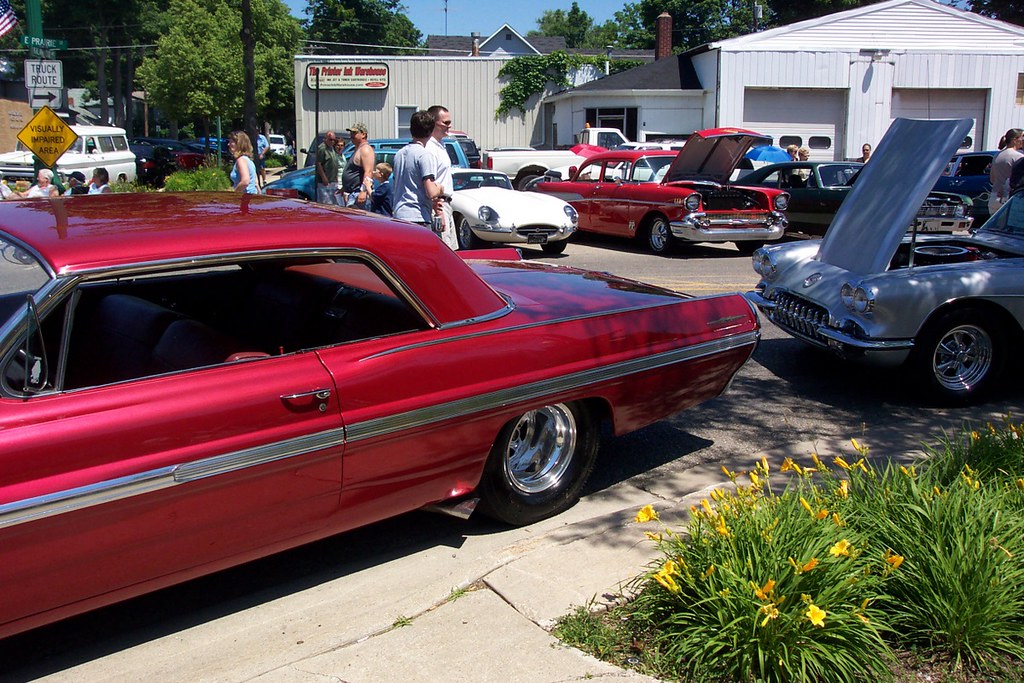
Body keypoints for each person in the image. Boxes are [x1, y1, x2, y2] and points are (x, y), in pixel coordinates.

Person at [391, 110, 443, 229]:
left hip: (399, 215)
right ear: (431, 132)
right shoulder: (424, 155)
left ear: (411, 130)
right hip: (418, 217)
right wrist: (439, 189)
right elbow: (430, 192)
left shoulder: (399, 154)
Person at [426, 104, 457, 250]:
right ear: (433, 123)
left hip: (446, 204)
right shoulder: (430, 149)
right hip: (438, 205)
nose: (449, 126)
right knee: (443, 250)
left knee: (451, 251)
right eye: (446, 123)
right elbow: (430, 182)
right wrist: (438, 212)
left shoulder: (441, 145)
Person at [341, 123, 376, 208]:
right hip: (352, 194)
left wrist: (363, 191)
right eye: (351, 133)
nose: (351, 136)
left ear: (363, 134)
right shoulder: (358, 149)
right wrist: (344, 188)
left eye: (354, 133)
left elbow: (369, 172)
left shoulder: (365, 149)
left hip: (358, 194)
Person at [989, 128, 1023, 215]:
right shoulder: (1018, 157)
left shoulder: (997, 155)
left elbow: (992, 179)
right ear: (1015, 140)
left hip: (994, 198)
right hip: (1008, 199)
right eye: (1022, 137)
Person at [315, 130, 340, 205]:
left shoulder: (332, 148)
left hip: (333, 180)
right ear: (325, 139)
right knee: (326, 204)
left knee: (334, 203)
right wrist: (324, 177)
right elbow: (318, 164)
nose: (332, 141)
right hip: (325, 183)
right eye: (330, 139)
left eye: (334, 140)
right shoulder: (322, 148)